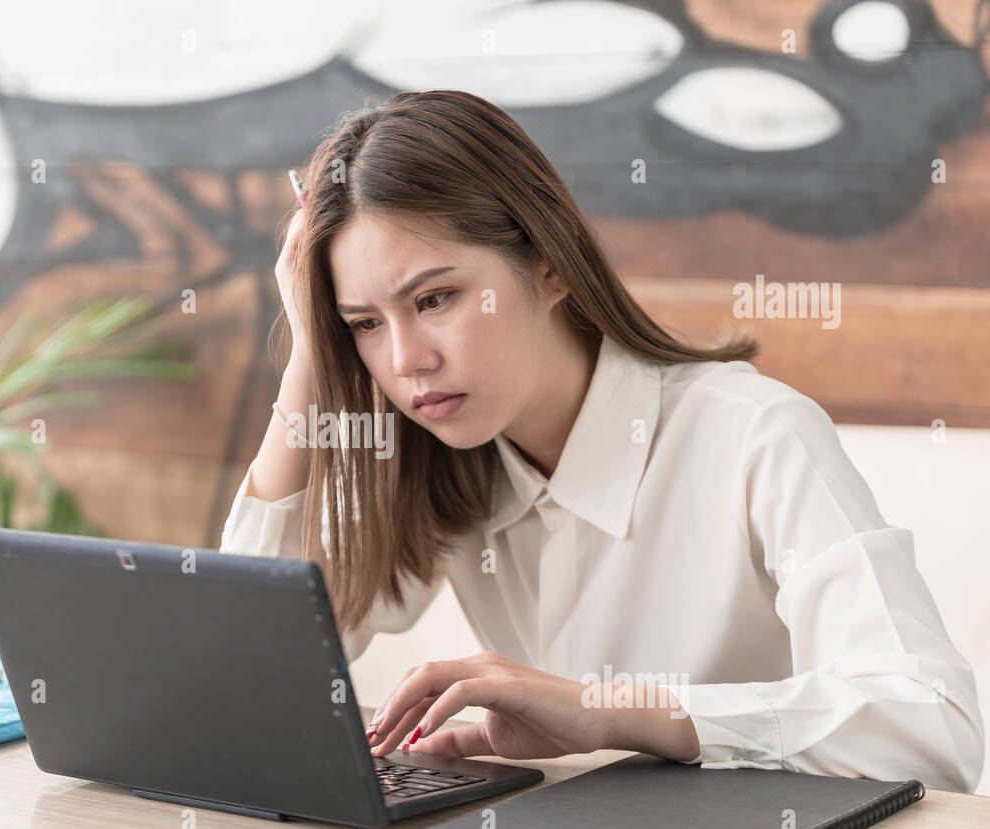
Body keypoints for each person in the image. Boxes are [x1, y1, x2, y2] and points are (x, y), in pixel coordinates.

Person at [219, 90, 983, 792]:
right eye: (364, 324)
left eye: (435, 298)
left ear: (549, 266)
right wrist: (308, 365)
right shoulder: (434, 457)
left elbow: (934, 729)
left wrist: (615, 711)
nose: (405, 360)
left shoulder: (756, 436)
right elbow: (237, 687)